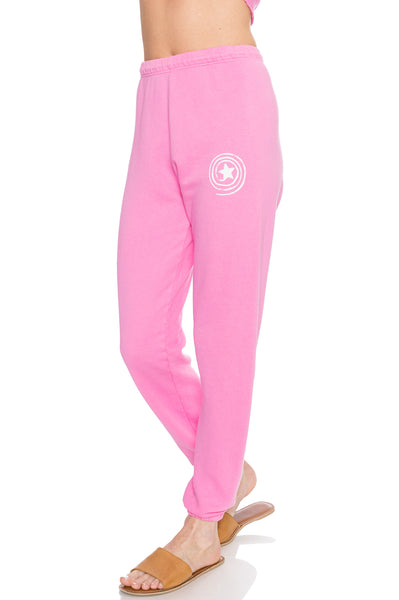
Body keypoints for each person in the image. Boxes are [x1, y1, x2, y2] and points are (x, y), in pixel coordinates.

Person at [117, 0, 284, 594]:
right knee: (142, 340)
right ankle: (226, 472)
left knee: (224, 336)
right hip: (153, 100)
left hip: (227, 99)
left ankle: (203, 523)